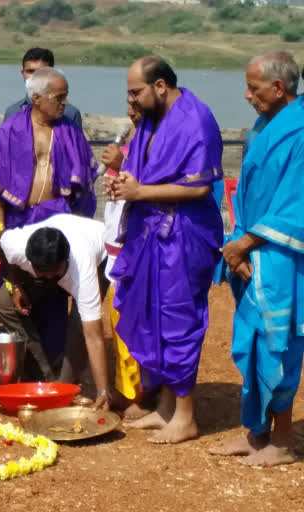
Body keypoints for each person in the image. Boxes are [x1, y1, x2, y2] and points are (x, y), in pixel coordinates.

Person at [107, 56, 223, 444]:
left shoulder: (196, 120)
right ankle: (167, 407)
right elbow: (142, 172)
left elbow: (199, 186)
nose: (132, 101)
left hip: (183, 235)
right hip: (149, 231)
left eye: (136, 92)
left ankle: (186, 417)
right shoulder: (151, 121)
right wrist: (124, 184)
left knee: (178, 319)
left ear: (160, 86)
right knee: (153, 317)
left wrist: (140, 192)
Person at [210, 52, 304, 466]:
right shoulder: (263, 128)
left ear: (279, 88)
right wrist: (237, 245)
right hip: (250, 253)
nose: (247, 95)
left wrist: (245, 243)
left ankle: (281, 443)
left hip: (284, 258)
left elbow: (295, 206)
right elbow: (247, 195)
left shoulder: (300, 133)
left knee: (279, 346)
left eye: (254, 87)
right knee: (250, 342)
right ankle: (256, 434)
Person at [0, 67, 97, 376]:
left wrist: (78, 225)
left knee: (56, 298)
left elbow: (85, 185)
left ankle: (55, 371)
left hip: (58, 222)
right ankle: (23, 372)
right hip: (20, 223)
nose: (64, 103)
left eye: (65, 97)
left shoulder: (70, 132)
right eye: (58, 97)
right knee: (14, 295)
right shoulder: (9, 131)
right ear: (36, 98)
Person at [0, 214, 111, 410]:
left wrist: (103, 392)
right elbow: (0, 243)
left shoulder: (82, 268)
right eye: (42, 271)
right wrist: (14, 286)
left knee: (79, 323)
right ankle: (45, 374)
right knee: (4, 303)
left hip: (99, 257)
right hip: (52, 255)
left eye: (54, 272)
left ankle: (65, 383)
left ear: (65, 261)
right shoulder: (16, 245)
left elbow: (94, 336)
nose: (49, 276)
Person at [99, 106, 146, 417]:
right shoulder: (133, 134)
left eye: (136, 99)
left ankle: (140, 396)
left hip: (136, 244)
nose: (130, 108)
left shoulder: (158, 137)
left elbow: (154, 182)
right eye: (127, 101)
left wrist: (123, 163)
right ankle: (125, 388)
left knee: (133, 322)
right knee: (118, 322)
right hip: (117, 238)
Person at [3, 48, 82, 128]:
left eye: (41, 72)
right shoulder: (13, 112)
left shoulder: (70, 113)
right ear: (23, 73)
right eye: (30, 71)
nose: (35, 76)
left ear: (52, 73)